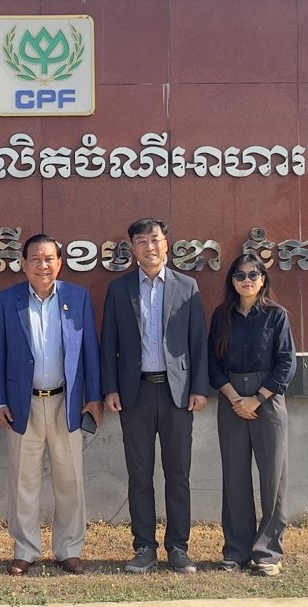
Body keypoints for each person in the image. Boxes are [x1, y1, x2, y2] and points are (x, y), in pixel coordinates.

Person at [0, 234, 104, 576]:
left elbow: (90, 350)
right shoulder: (7, 300)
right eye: (35, 259)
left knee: (70, 480)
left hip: (66, 402)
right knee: (23, 481)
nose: (43, 265)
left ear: (60, 263)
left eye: (49, 258)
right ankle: (25, 549)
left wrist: (94, 398)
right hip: (22, 404)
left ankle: (69, 549)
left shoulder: (77, 297)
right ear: (23, 264)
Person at [100, 218, 209, 574]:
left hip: (177, 394)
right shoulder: (119, 289)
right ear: (132, 248)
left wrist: (199, 388)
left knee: (178, 474)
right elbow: (109, 342)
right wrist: (110, 388)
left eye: (155, 239)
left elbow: (198, 341)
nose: (149, 247)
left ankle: (178, 546)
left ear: (166, 244)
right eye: (142, 241)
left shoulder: (187, 287)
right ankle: (144, 546)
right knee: (139, 474)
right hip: (136, 394)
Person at [207, 252, 296, 577]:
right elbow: (212, 362)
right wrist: (235, 398)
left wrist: (256, 399)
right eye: (240, 275)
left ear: (263, 280)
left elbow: (286, 363)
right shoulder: (222, 316)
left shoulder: (276, 316)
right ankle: (236, 550)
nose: (247, 280)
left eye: (253, 275)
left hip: (267, 401)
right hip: (231, 399)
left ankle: (268, 553)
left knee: (273, 478)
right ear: (232, 281)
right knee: (234, 477)